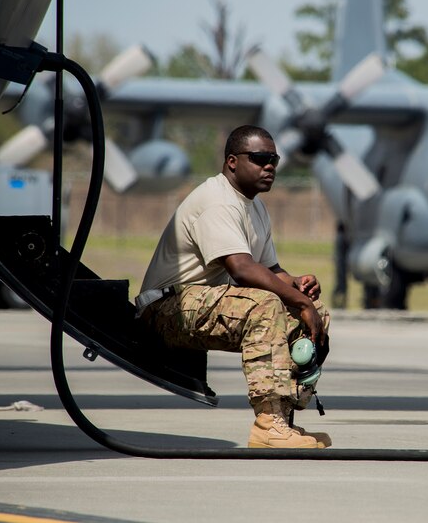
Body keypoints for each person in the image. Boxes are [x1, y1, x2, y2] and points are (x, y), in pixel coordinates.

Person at [135, 125, 331, 449]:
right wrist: (299, 301)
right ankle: (267, 427)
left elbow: (270, 271)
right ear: (232, 162)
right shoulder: (218, 201)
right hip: (167, 308)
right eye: (259, 158)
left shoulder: (255, 207)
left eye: (274, 160)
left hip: (204, 302)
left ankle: (283, 423)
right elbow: (241, 269)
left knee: (313, 312)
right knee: (265, 306)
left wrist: (298, 286)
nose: (269, 166)